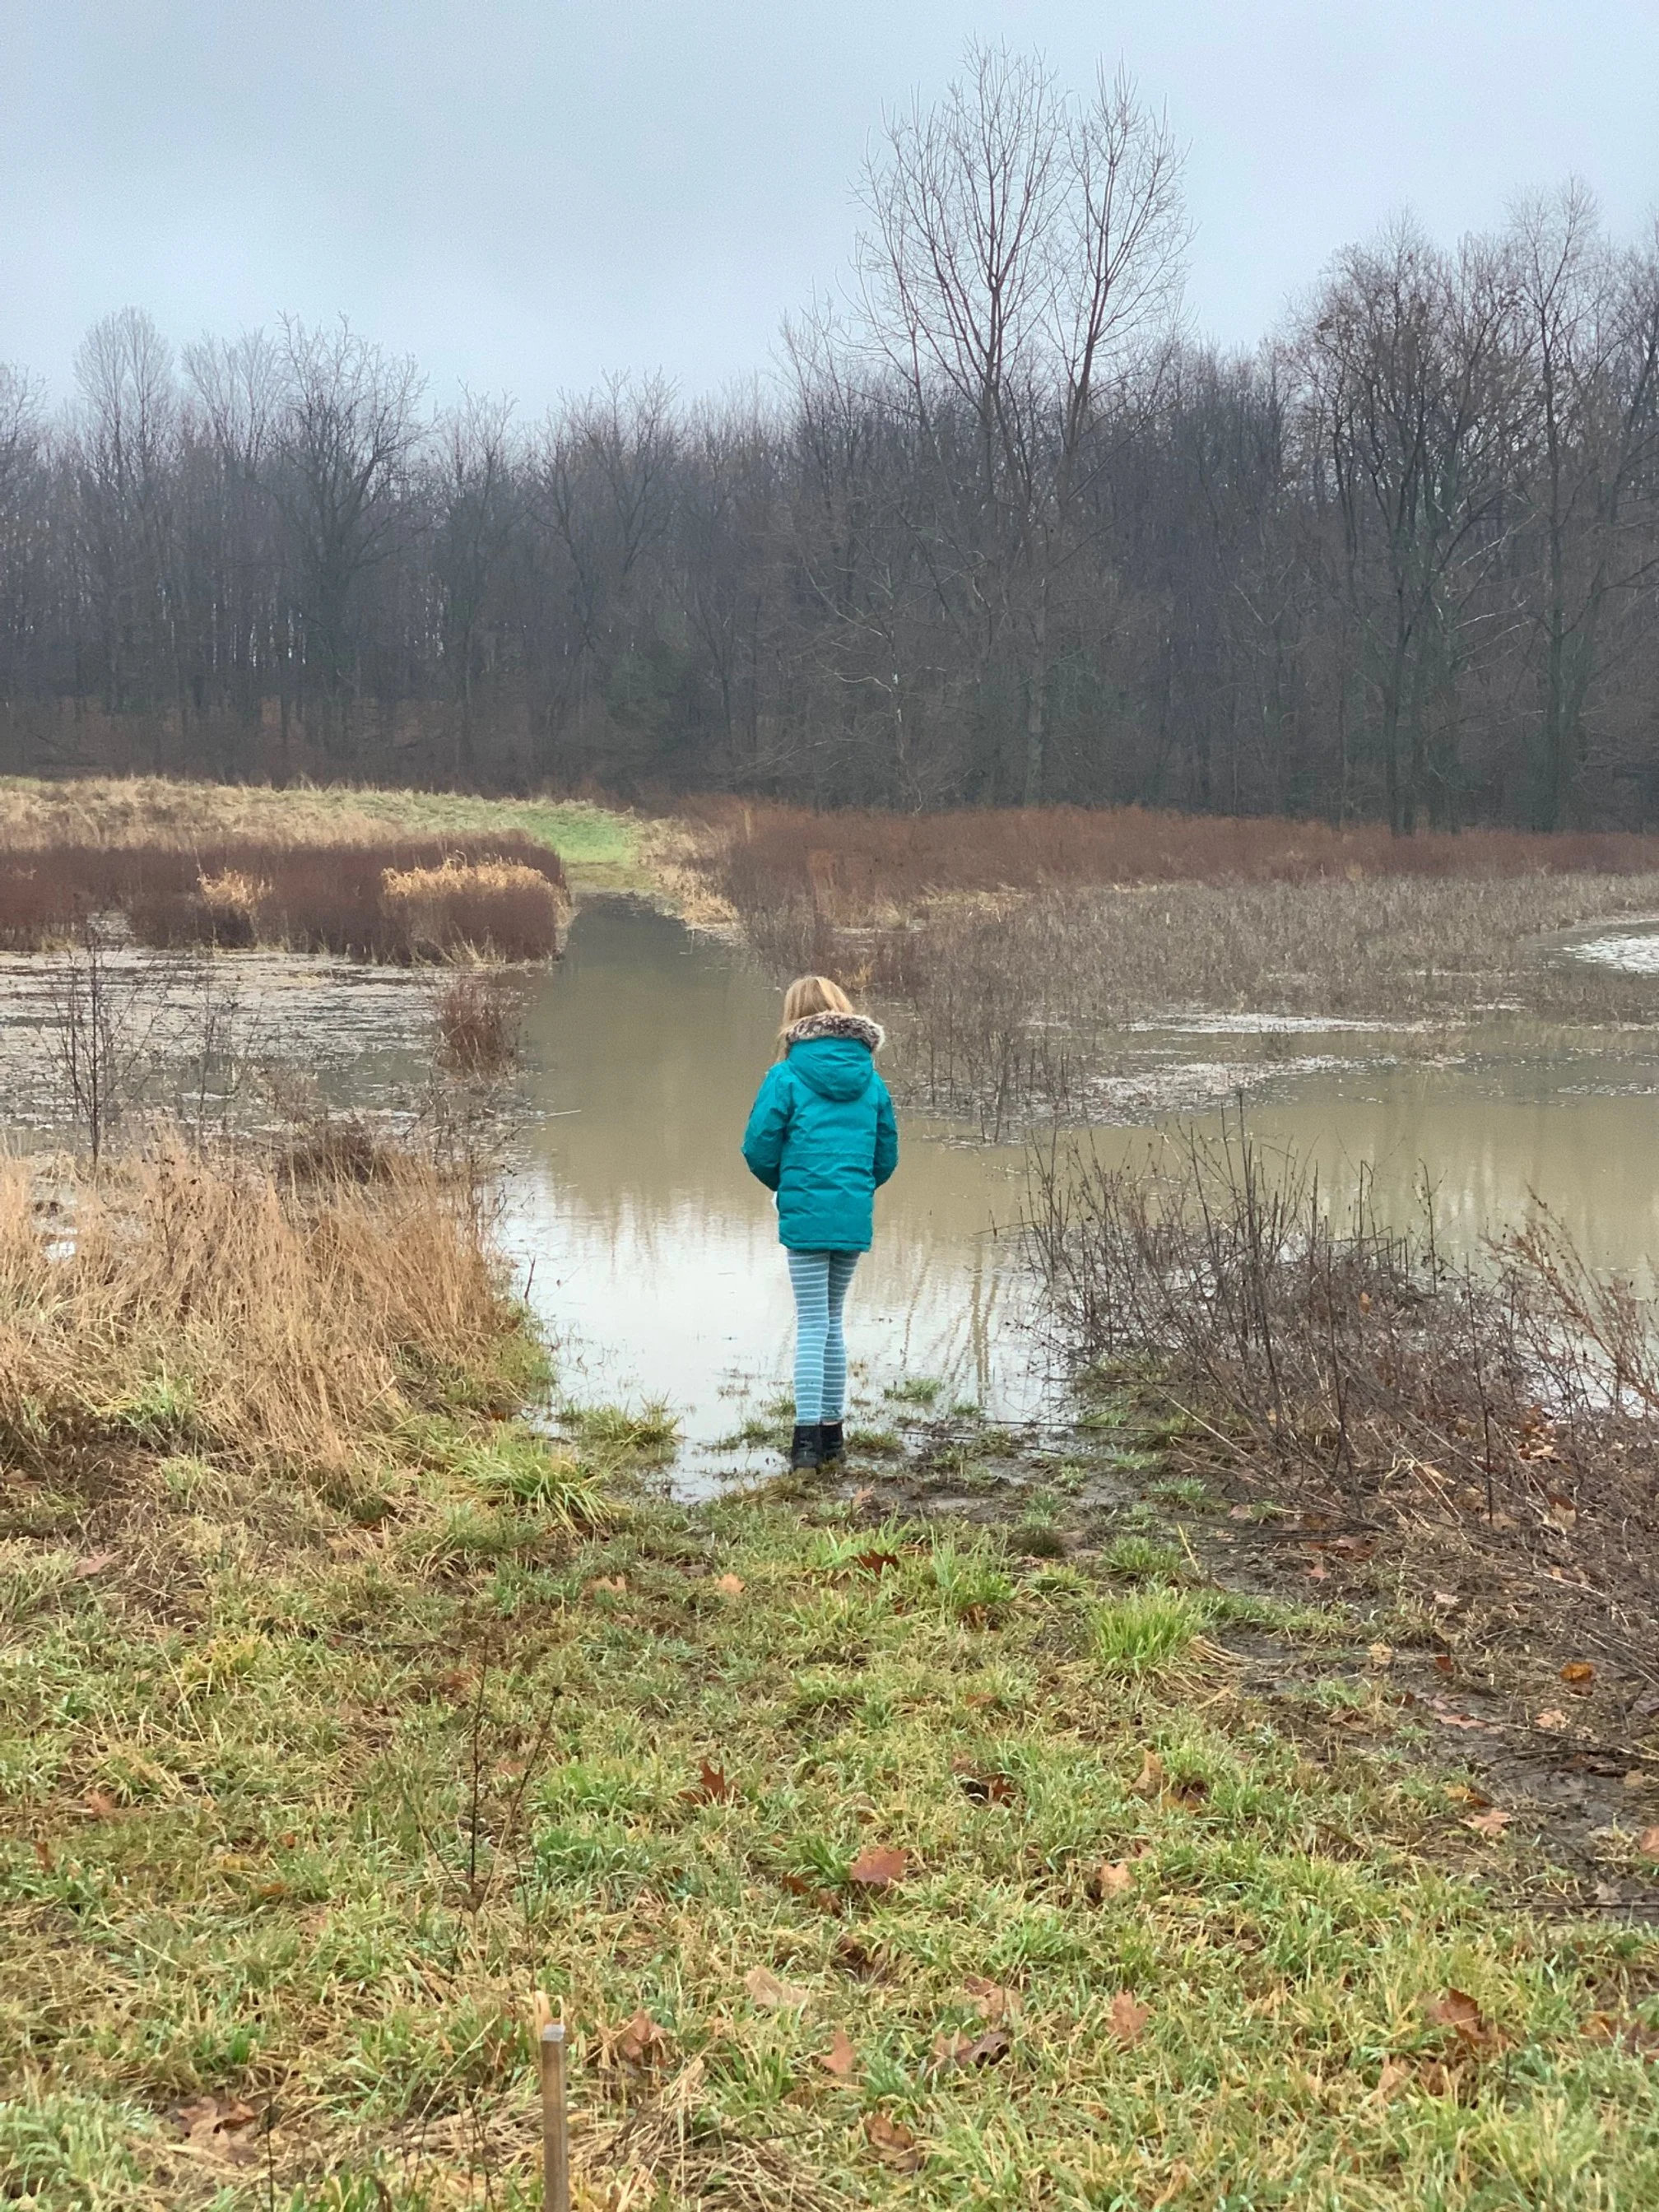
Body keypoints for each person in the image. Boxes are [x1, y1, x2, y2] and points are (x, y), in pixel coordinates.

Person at [741, 974, 899, 1471]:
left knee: (811, 1321)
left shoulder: (785, 1077)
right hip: (850, 1210)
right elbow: (886, 1154)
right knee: (833, 1320)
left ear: (794, 1019)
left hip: (806, 1212)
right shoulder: (871, 1079)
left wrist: (786, 1187)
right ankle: (833, 1435)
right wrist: (853, 1189)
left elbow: (758, 1147)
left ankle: (805, 1442)